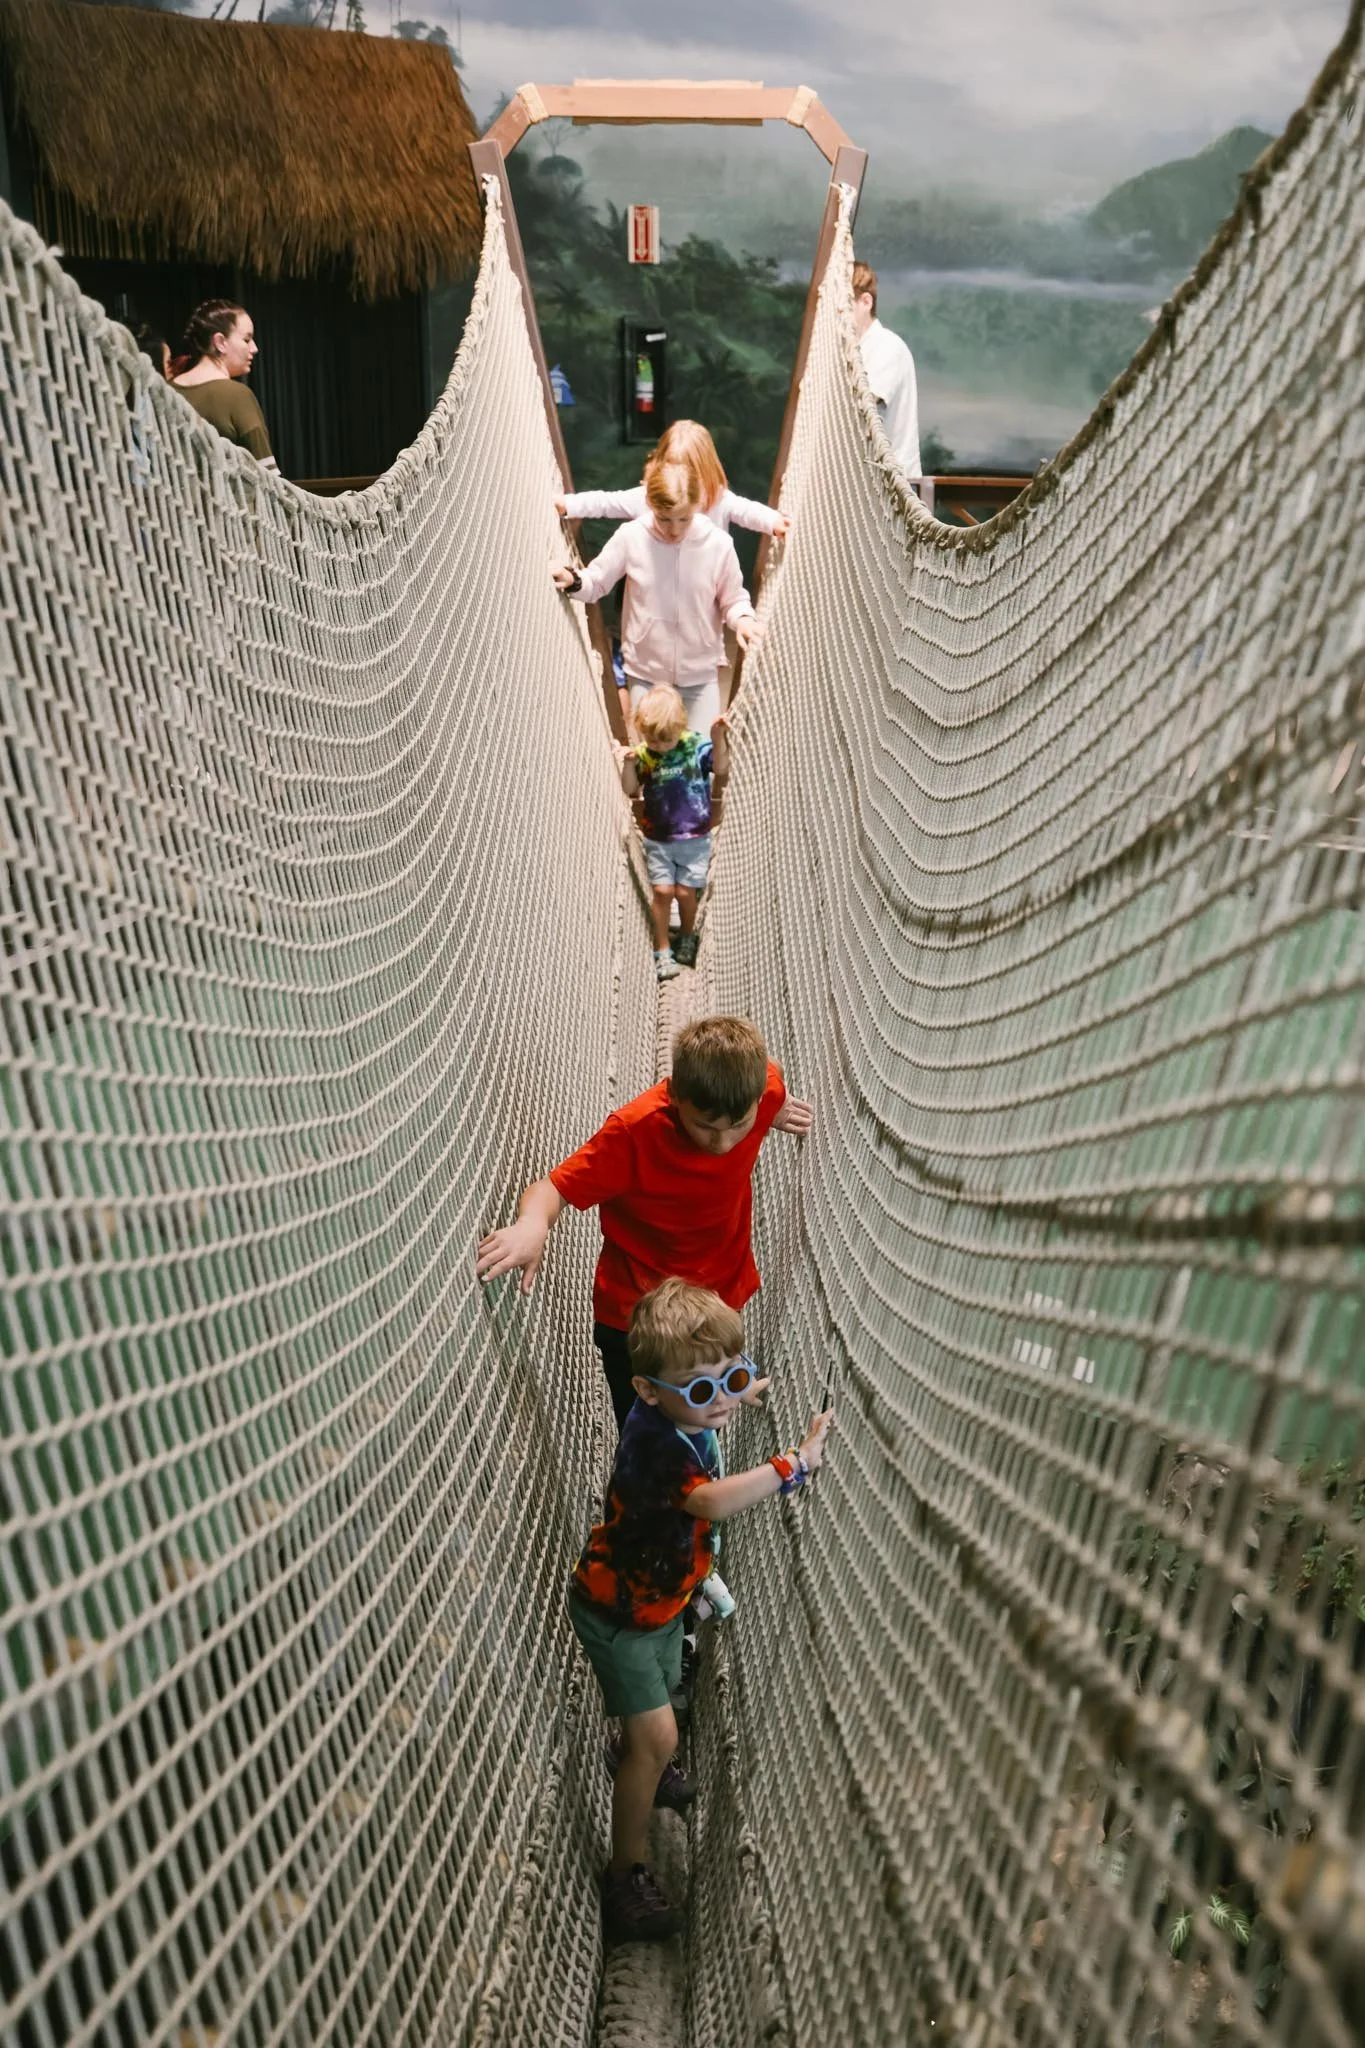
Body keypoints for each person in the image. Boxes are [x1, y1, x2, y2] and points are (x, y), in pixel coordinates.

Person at [567, 1276, 835, 1940]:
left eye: (732, 1380)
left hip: (662, 1601)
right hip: (619, 1611)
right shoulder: (656, 1443)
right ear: (649, 1393)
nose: (720, 1402)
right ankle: (625, 1870)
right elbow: (709, 1502)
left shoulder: (684, 1410)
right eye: (700, 1390)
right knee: (658, 1737)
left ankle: (636, 1754)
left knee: (665, 1699)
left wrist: (739, 1383)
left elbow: (717, 1390)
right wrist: (793, 1465)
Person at [475, 1014, 813, 1430]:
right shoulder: (634, 1133)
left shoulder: (764, 1094)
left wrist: (772, 1113)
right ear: (675, 1097)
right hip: (641, 1319)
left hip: (717, 1298)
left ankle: (710, 1434)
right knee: (652, 1440)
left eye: (738, 1127)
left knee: (702, 1422)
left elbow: (769, 1072)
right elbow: (552, 1189)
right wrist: (531, 1225)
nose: (722, 1143)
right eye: (705, 1127)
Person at [553, 461, 759, 737]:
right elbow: (597, 581)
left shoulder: (718, 545)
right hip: (646, 673)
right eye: (664, 518)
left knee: (697, 758)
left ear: (697, 506)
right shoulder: (632, 537)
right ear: (649, 503)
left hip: (699, 674)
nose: (674, 529)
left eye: (683, 518)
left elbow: (733, 599)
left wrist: (744, 620)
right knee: (652, 761)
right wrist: (574, 580)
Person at [621, 686, 729, 980]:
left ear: (679, 728)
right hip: (659, 839)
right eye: (651, 740)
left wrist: (718, 739)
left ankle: (686, 935)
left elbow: (721, 767)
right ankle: (662, 946)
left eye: (665, 740)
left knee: (685, 893)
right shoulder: (646, 754)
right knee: (662, 891)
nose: (659, 746)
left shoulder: (695, 746)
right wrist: (629, 764)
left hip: (695, 838)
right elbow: (630, 789)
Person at [554, 419, 791, 541]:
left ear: (706, 473)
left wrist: (773, 522)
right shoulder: (648, 498)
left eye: (691, 475)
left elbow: (747, 511)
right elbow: (606, 503)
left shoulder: (716, 499)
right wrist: (570, 505)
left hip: (701, 589)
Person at [170, 300, 278, 472]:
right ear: (220, 342)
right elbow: (267, 476)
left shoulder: (168, 392)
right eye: (247, 339)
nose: (254, 348)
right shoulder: (237, 395)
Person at [850, 261, 922, 481]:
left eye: (842, 306)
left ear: (865, 302)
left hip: (893, 495)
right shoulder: (852, 351)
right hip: (866, 489)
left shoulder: (886, 346)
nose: (836, 315)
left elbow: (868, 418)